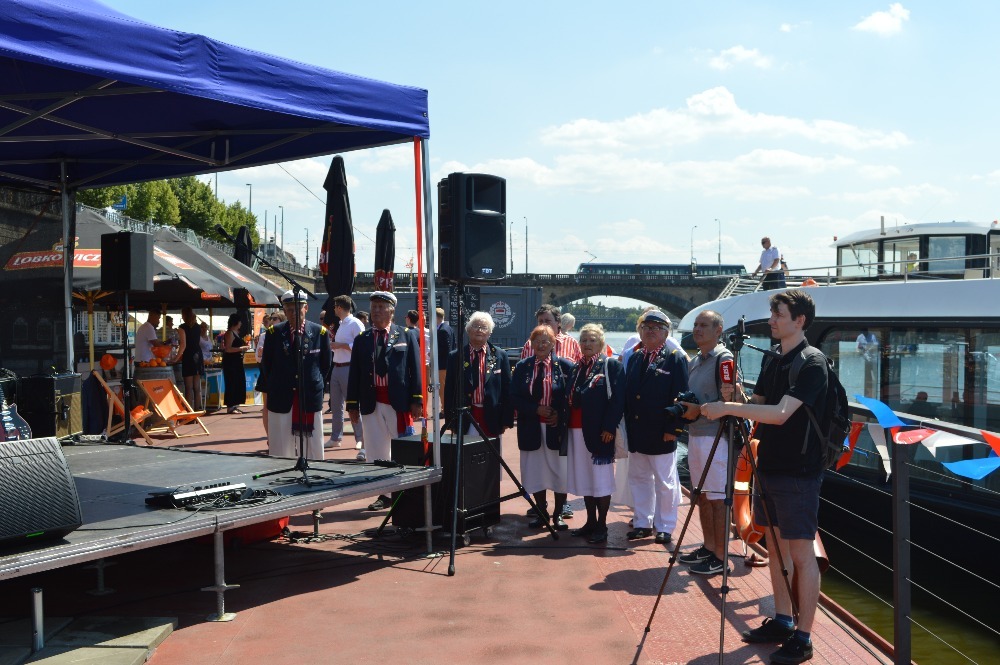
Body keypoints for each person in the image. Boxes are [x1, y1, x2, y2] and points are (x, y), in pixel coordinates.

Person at [702, 289, 827, 665]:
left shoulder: (812, 363)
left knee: (802, 555)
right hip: (769, 465)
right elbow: (759, 406)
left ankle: (803, 638)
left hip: (800, 471)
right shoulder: (775, 360)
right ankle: (784, 620)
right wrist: (733, 394)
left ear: (799, 320)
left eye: (779, 314)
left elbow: (782, 413)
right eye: (773, 313)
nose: (772, 320)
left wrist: (724, 406)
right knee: (774, 547)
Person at [677, 310, 742, 576]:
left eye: (704, 325)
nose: (698, 329)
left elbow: (731, 400)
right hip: (696, 436)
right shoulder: (695, 361)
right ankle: (708, 546)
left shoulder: (723, 359)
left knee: (716, 498)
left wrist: (699, 409)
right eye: (696, 325)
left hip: (717, 437)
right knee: (701, 495)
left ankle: (720, 556)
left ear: (718, 331)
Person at [346, 291, 423, 509]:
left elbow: (415, 370)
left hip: (398, 403)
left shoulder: (406, 335)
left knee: (404, 447)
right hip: (371, 402)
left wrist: (417, 400)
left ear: (391, 310)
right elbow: (355, 374)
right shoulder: (362, 339)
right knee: (376, 450)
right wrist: (352, 404)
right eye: (373, 307)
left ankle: (405, 490)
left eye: (381, 307)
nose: (376, 311)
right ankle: (384, 494)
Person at [623, 309, 688, 545]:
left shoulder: (675, 358)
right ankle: (642, 522)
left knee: (665, 482)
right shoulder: (637, 357)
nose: (649, 331)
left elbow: (681, 398)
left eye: (655, 328)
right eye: (645, 327)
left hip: (662, 431)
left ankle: (665, 526)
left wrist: (674, 428)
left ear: (665, 332)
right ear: (640, 331)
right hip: (638, 431)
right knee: (639, 479)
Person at [511, 325, 575, 530]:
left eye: (546, 340)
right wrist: (535, 409)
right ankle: (541, 512)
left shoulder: (565, 367)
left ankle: (558, 514)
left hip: (555, 428)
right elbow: (514, 397)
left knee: (559, 471)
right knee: (535, 472)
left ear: (554, 343)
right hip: (531, 427)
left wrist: (559, 414)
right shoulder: (522, 367)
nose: (541, 344)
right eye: (537, 340)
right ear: (530, 343)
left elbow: (572, 398)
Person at [565, 323, 623, 544]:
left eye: (592, 340)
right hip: (576, 432)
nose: (587, 344)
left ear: (601, 343)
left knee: (600, 481)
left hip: (599, 433)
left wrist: (609, 427)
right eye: (584, 340)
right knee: (585, 479)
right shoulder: (575, 368)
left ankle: (602, 525)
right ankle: (590, 521)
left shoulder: (609, 366)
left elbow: (618, 400)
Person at [258, 290, 332, 460]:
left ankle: (315, 478)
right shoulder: (273, 333)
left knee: (312, 447)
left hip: (308, 396)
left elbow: (325, 365)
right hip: (281, 396)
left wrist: (314, 382)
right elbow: (267, 365)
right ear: (284, 310)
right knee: (280, 447)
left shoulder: (320, 333)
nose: (293, 313)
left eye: (297, 309)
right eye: (289, 309)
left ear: (306, 308)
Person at [443, 311, 512, 440]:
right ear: (468, 330)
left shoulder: (500, 356)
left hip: (492, 417)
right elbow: (449, 390)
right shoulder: (456, 356)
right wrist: (449, 421)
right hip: (464, 418)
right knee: (467, 456)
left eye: (484, 327)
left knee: (491, 457)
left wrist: (506, 419)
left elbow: (507, 390)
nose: (479, 330)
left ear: (490, 332)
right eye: (476, 326)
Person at [327, 296, 364, 449]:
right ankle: (336, 437)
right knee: (336, 406)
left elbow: (361, 345)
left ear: (340, 308)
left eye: (335, 307)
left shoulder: (355, 323)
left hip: (349, 368)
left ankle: (360, 439)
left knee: (353, 405)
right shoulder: (342, 324)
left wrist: (340, 345)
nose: (334, 309)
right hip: (337, 367)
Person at [256, 311, 285, 434]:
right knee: (267, 407)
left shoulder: (287, 334)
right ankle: (270, 438)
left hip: (283, 374)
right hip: (268, 373)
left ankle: (285, 436)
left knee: (285, 404)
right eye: (271, 319)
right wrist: (262, 354)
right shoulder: (264, 336)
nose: (272, 321)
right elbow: (257, 357)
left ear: (282, 319)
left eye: (275, 318)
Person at [221, 313, 250, 415]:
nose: (241, 323)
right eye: (240, 321)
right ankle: (231, 406)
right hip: (231, 362)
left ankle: (235, 405)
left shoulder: (235, 333)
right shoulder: (229, 333)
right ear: (236, 322)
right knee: (232, 382)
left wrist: (243, 347)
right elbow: (228, 349)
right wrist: (241, 348)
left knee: (238, 382)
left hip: (237, 361)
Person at [177, 307, 203, 409]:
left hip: (188, 356)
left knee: (188, 387)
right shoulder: (198, 327)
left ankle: (189, 411)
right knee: (197, 388)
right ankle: (198, 410)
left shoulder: (182, 327)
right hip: (198, 354)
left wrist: (176, 358)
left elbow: (183, 345)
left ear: (184, 315)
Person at [435, 307, 455, 397]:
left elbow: (445, 349)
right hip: (447, 363)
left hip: (443, 364)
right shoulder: (449, 328)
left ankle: (444, 409)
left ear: (436, 317)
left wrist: (433, 353)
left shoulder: (442, 330)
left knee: (442, 388)